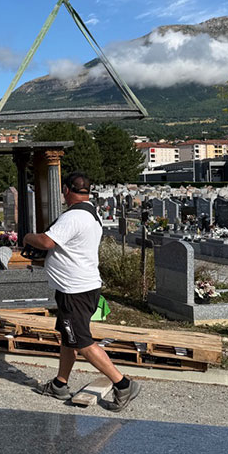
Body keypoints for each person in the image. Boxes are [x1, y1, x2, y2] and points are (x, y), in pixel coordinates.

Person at [23, 171, 141, 412]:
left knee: (82, 341)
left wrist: (27, 236)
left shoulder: (73, 216)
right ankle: (60, 384)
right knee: (69, 337)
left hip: (74, 289)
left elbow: (47, 242)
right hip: (82, 286)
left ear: (67, 190)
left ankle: (123, 383)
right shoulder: (91, 212)